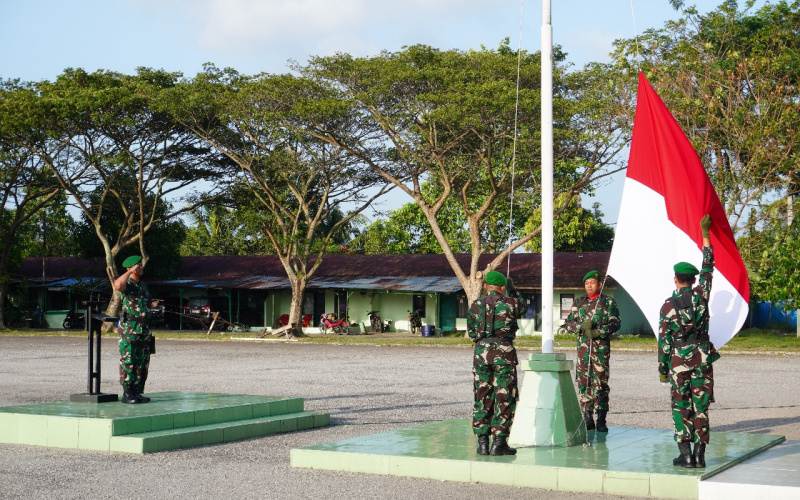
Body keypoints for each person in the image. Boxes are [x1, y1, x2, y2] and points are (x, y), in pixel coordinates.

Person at [658, 214, 719, 468]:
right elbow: (708, 266)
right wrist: (705, 234)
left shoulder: (668, 306)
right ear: (693, 280)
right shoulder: (701, 295)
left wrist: (663, 368)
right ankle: (700, 454)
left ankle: (685, 455)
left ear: (676, 279)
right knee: (701, 407)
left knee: (681, 406)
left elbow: (664, 342)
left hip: (678, 363)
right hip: (702, 358)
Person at [467, 270, 520, 456]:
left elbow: (472, 333)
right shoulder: (511, 302)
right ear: (502, 287)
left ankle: (482, 443)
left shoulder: (476, 305)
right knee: (504, 396)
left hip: (481, 354)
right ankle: (499, 442)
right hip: (504, 354)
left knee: (482, 396)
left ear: (486, 285)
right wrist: (512, 292)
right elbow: (523, 309)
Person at [563, 270, 621, 432]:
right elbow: (568, 324)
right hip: (583, 352)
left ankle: (601, 418)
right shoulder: (579, 302)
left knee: (601, 384)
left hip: (600, 351)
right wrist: (580, 327)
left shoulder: (607, 302)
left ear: (599, 284)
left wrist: (598, 332)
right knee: (584, 384)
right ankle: (587, 416)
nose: (589, 285)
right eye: (586, 283)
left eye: (592, 282)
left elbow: (615, 323)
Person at [113, 255, 154, 404]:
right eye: (139, 266)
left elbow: (144, 303)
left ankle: (137, 391)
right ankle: (127, 393)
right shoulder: (127, 283)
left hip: (144, 329)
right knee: (129, 360)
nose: (141, 268)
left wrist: (152, 307)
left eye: (141, 266)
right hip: (130, 328)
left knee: (142, 362)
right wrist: (129, 272)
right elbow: (117, 286)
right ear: (132, 268)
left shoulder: (142, 285)